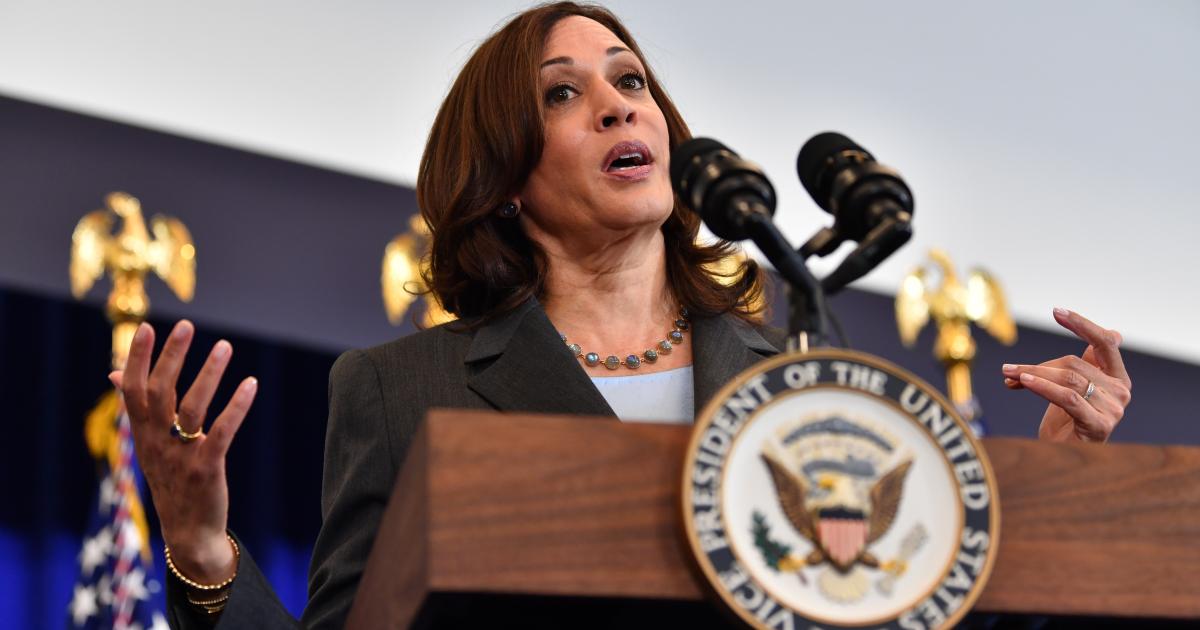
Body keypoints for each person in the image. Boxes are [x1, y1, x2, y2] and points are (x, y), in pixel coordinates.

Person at [109, 2, 1134, 628]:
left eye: (630, 79)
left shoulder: (796, 376)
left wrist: (1055, 488)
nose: (617, 104)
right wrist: (203, 551)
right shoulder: (400, 390)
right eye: (562, 94)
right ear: (506, 177)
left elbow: (906, 612)